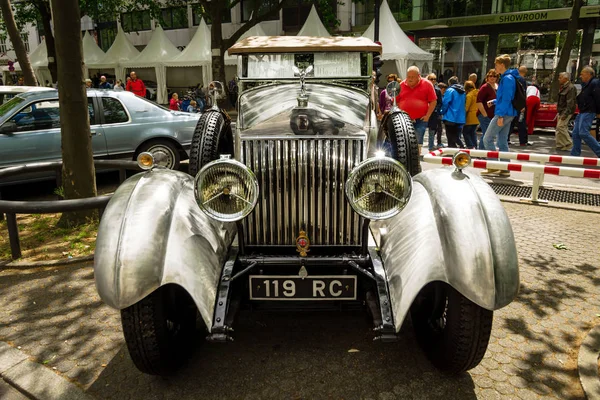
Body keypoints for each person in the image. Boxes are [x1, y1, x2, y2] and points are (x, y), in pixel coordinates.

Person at [481, 54, 519, 177]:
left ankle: (493, 166)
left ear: (502, 65)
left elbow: (507, 98)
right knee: (502, 141)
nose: (495, 68)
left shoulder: (507, 79)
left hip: (503, 113)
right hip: (509, 112)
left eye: (496, 65)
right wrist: (495, 101)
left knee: (487, 138)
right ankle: (504, 167)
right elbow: (505, 97)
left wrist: (500, 115)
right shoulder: (509, 77)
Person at [395, 66, 437, 156]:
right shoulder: (401, 85)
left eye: (412, 77)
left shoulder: (427, 84)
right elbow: (396, 101)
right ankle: (407, 157)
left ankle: (415, 158)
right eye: (408, 76)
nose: (409, 79)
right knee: (405, 139)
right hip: (405, 119)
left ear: (418, 76)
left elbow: (433, 101)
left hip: (420, 119)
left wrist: (428, 115)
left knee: (417, 141)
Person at [570, 66, 600, 158]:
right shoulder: (587, 84)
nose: (580, 76)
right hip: (583, 110)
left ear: (588, 74)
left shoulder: (595, 83)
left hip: (589, 111)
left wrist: (599, 111)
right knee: (575, 133)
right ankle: (575, 153)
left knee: (583, 132)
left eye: (582, 74)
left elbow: (598, 98)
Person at [441, 76, 466, 148]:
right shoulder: (463, 92)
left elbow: (445, 103)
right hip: (460, 117)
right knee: (456, 135)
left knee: (450, 136)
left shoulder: (450, 90)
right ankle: (460, 147)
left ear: (449, 83)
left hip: (450, 117)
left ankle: (453, 150)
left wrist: (442, 111)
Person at [476, 69, 498, 150]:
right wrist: (485, 115)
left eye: (494, 76)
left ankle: (483, 152)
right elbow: (478, 101)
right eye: (490, 76)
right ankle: (482, 153)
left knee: (488, 134)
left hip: (493, 115)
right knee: (486, 134)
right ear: (487, 77)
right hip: (484, 115)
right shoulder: (485, 87)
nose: (492, 78)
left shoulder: (497, 86)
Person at [555, 72, 576, 151]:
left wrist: (565, 113)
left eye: (560, 77)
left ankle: (569, 143)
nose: (558, 79)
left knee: (561, 127)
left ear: (565, 79)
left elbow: (570, 102)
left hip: (565, 111)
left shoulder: (570, 88)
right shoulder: (564, 87)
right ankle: (560, 144)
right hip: (562, 110)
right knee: (559, 128)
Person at [426, 73, 444, 150]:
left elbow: (440, 102)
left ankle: (430, 147)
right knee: (420, 130)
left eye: (434, 79)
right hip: (423, 112)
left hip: (433, 113)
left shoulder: (437, 90)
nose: (433, 81)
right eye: (431, 79)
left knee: (432, 131)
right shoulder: (424, 89)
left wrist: (436, 108)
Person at [463, 80, 479, 149]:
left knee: (465, 132)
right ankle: (475, 146)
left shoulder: (469, 95)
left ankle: (470, 146)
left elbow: (466, 107)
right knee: (473, 133)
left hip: (470, 117)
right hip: (477, 116)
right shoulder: (478, 93)